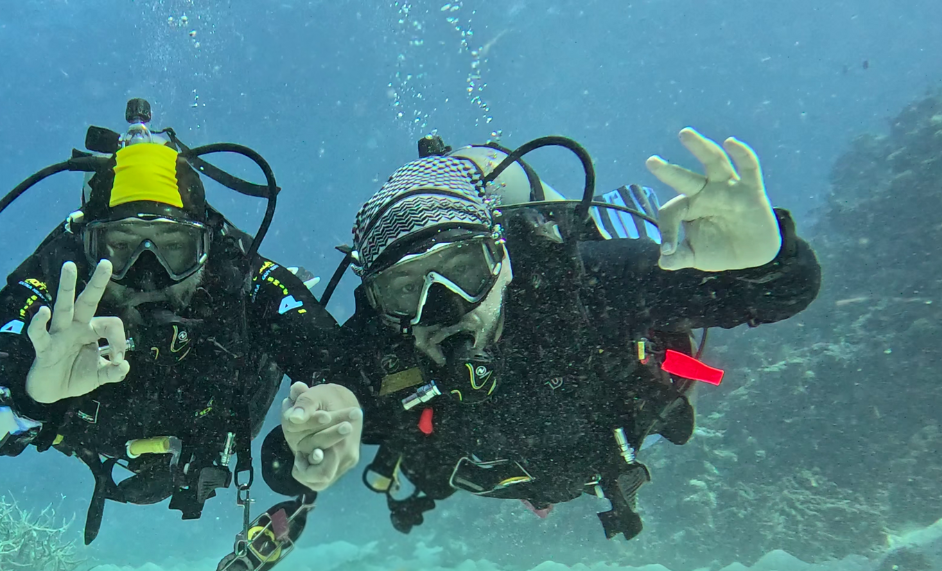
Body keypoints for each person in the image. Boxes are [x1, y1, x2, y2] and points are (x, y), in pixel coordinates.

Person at [329, 127, 822, 540]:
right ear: (377, 303)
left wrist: (769, 256)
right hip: (499, 464)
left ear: (501, 257)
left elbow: (783, 293)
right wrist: (309, 437)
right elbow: (294, 446)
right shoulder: (383, 344)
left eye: (463, 267)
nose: (445, 306)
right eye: (405, 289)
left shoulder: (587, 284)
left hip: (608, 436)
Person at [0, 100, 361, 571]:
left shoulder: (235, 268)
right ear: (88, 245)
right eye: (120, 248)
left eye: (174, 248)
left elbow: (331, 358)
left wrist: (336, 400)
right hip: (93, 430)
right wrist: (30, 397)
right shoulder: (55, 278)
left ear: (205, 243)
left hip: (221, 416)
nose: (149, 274)